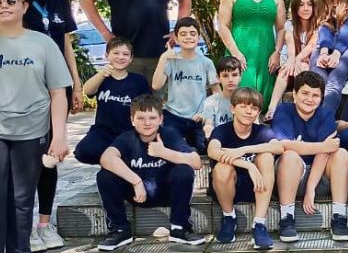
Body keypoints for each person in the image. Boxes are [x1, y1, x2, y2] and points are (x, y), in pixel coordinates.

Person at [0, 0, 70, 253]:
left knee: (22, 198)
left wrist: (59, 136)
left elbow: (58, 93)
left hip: (32, 131)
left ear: (24, 6)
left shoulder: (42, 43)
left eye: (10, 1)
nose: (4, 6)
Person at [18, 0, 83, 251]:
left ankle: (44, 224)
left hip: (58, 88)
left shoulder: (58, 1)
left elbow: (66, 45)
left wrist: (77, 84)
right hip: (25, 90)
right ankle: (24, 226)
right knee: (26, 159)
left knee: (51, 155)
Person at [96, 94, 205, 251]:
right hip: (137, 194)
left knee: (184, 170)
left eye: (152, 118)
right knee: (105, 175)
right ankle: (120, 230)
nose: (147, 123)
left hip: (165, 192)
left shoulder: (169, 135)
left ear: (161, 119)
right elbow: (106, 158)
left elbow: (196, 162)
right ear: (132, 120)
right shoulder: (127, 138)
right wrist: (136, 181)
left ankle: (179, 228)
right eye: (141, 118)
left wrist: (163, 152)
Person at [272, 71, 348, 242]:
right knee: (290, 156)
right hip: (290, 176)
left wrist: (310, 189)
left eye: (315, 95)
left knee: (341, 154)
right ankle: (286, 218)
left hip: (319, 177)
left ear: (321, 98)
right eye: (305, 93)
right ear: (294, 94)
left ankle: (339, 216)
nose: (310, 99)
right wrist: (321, 146)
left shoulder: (326, 114)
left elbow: (325, 152)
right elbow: (283, 145)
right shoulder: (284, 110)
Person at [207, 88, 283, 249]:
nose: (249, 111)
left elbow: (278, 147)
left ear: (258, 112)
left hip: (258, 187)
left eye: (254, 108)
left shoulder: (262, 131)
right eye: (243, 106)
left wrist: (244, 150)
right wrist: (248, 165)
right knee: (222, 167)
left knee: (266, 156)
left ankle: (259, 224)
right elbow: (212, 150)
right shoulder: (222, 130)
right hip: (227, 188)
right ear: (233, 108)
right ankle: (229, 218)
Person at [217, 0, 286, 109]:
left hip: (266, 56)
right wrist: (235, 53)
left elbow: (281, 28)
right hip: (240, 56)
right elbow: (223, 26)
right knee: (240, 100)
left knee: (263, 101)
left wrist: (277, 52)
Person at [75, 37, 150, 165]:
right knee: (83, 151)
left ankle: (118, 163)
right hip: (103, 131)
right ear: (106, 55)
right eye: (116, 53)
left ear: (131, 58)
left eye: (125, 54)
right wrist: (101, 74)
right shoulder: (102, 78)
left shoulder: (138, 80)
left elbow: (148, 106)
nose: (120, 57)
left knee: (136, 155)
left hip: (129, 132)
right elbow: (87, 90)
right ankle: (111, 162)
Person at [152, 17, 220, 153]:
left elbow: (217, 93)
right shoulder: (171, 60)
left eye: (192, 34)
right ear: (176, 39)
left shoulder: (206, 63)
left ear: (199, 37)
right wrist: (163, 58)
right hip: (173, 116)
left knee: (204, 147)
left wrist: (206, 113)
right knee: (173, 144)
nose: (188, 37)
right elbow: (156, 85)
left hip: (198, 117)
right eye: (183, 34)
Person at [267, 0, 318, 121]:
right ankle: (272, 109)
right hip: (292, 65)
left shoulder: (317, 25)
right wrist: (292, 60)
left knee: (304, 68)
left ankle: (302, 111)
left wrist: (297, 60)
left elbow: (311, 45)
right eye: (301, 5)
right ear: (295, 7)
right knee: (285, 70)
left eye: (309, 4)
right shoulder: (290, 24)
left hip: (307, 65)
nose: (306, 8)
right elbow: (290, 41)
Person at [197, 56, 241, 139]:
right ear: (218, 78)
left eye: (234, 75)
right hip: (219, 141)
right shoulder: (211, 102)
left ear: (240, 77)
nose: (230, 79)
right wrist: (208, 129)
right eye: (225, 76)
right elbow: (209, 123)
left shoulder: (248, 99)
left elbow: (255, 125)